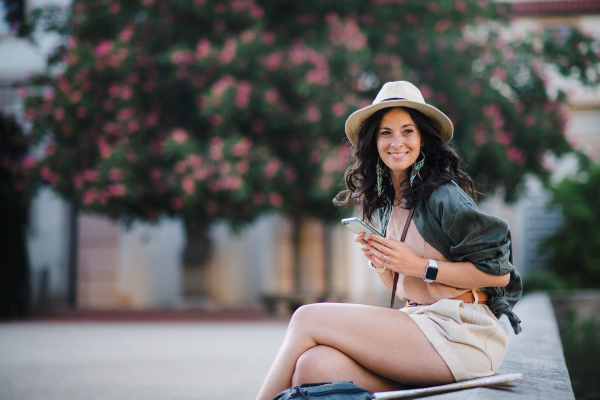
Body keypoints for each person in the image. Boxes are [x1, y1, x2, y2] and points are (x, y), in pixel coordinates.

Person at [255, 81, 522, 400]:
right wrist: (382, 261)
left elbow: (498, 273)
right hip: (421, 324)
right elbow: (404, 284)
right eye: (386, 132)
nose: (397, 142)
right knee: (313, 367)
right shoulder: (387, 204)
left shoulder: (444, 197)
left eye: (407, 131)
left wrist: (422, 266)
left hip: (462, 333)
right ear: (373, 141)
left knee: (305, 317)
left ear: (423, 138)